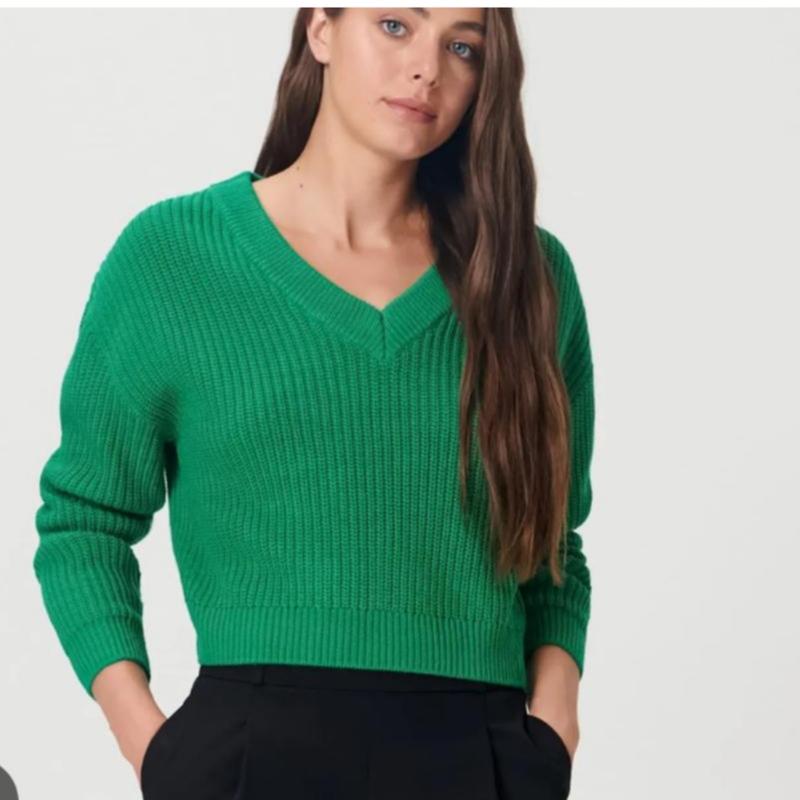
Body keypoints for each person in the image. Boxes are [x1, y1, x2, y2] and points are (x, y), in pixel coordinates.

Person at [32, 8, 595, 800]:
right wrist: (152, 744)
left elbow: (551, 541)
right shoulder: (173, 259)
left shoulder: (526, 277)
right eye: (396, 25)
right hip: (250, 747)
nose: (428, 67)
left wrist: (555, 724)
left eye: (464, 46)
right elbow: (84, 520)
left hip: (480, 750)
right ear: (321, 30)